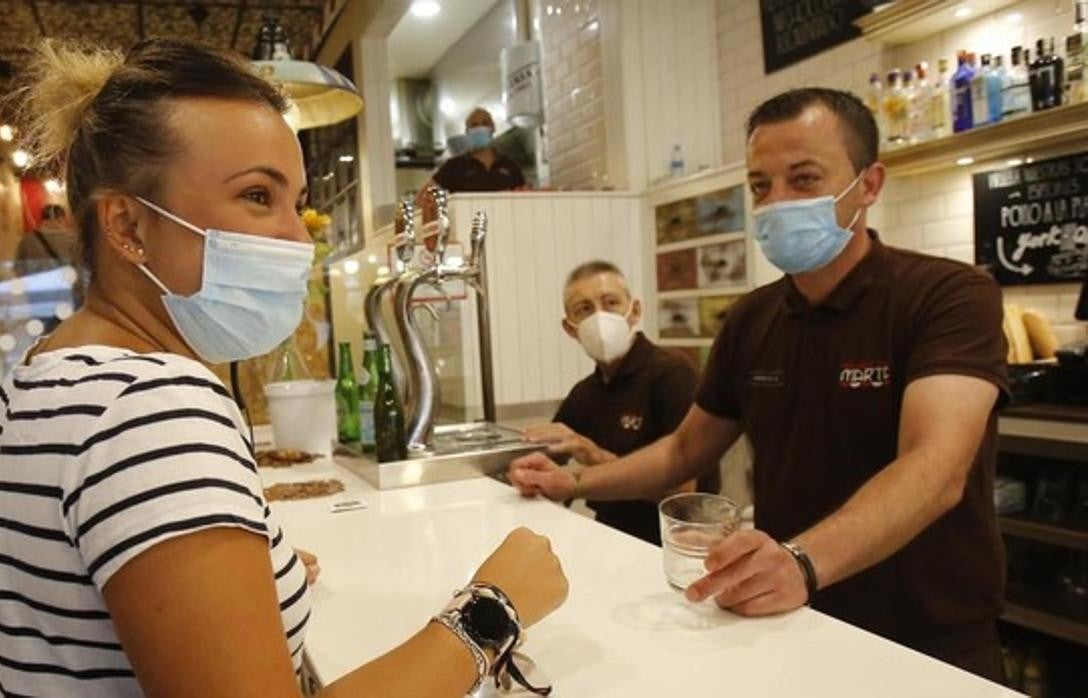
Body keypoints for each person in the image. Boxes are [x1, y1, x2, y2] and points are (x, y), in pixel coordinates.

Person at [0, 38, 567, 697]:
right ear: (128, 226)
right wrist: (491, 612)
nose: (298, 239)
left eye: (296, 202)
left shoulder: (40, 376)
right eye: (255, 196)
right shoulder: (152, 407)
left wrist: (250, 577)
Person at [509, 87, 1008, 681]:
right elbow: (684, 449)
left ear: (869, 185)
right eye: (760, 187)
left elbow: (936, 468)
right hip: (790, 620)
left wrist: (801, 561)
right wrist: (575, 480)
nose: (776, 204)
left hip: (926, 637)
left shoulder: (947, 296)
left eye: (803, 179)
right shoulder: (753, 319)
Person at [520, 260, 710, 545]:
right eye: (583, 310)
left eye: (610, 303)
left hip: (674, 543)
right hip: (610, 537)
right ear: (570, 328)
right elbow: (545, 459)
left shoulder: (673, 375)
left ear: (634, 311)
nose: (599, 318)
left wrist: (591, 455)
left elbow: (683, 495)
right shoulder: (585, 393)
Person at [425, 107, 525, 193]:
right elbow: (425, 195)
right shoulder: (454, 166)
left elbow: (524, 196)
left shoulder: (510, 166)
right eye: (474, 125)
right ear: (467, 132)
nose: (480, 128)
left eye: (484, 123)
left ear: (493, 128)